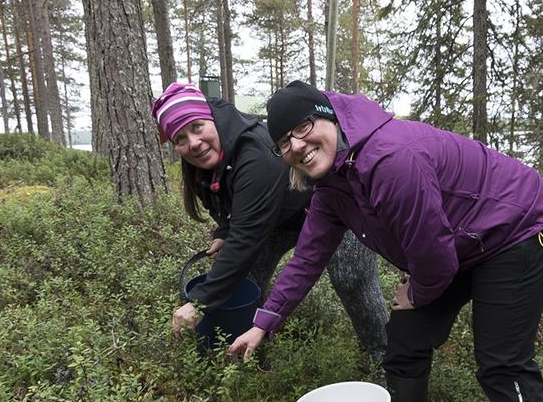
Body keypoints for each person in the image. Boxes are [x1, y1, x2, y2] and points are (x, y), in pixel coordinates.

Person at [229, 81, 543, 402]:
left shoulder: (391, 158)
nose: (296, 145)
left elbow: (435, 262)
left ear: (327, 114)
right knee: (405, 337)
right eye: (282, 142)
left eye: (303, 126)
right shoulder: (333, 185)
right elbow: (307, 258)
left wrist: (419, 293)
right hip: (456, 240)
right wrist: (264, 323)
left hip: (517, 229)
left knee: (501, 359)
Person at [151, 82, 387, 360]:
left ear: (212, 117)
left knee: (352, 278)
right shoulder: (203, 155)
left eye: (197, 127)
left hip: (328, 206)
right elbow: (226, 201)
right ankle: (247, 349)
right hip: (277, 218)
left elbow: (245, 238)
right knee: (246, 278)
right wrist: (223, 231)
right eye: (180, 138)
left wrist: (199, 302)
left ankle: (383, 355)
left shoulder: (256, 154)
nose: (192, 142)